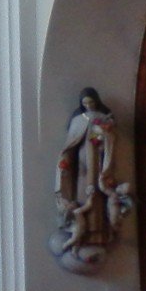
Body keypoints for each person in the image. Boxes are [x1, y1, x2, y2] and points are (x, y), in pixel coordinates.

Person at [51, 86, 131, 270]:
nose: (88, 105)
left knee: (94, 195)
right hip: (80, 162)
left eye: (91, 102)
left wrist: (104, 134)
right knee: (81, 192)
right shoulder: (78, 120)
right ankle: (77, 233)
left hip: (97, 160)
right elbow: (70, 142)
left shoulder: (103, 117)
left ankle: (96, 235)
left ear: (96, 101)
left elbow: (111, 138)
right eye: (85, 103)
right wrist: (65, 160)